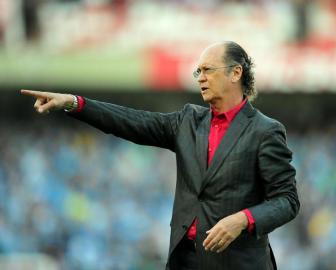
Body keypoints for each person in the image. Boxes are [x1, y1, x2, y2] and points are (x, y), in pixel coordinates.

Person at [21, 41, 300, 270]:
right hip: (184, 260)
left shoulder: (265, 131)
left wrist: (243, 219)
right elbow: (133, 121)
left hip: (238, 263)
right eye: (197, 72)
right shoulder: (189, 121)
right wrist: (75, 103)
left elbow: (287, 200)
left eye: (208, 70)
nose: (200, 78)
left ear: (235, 73)